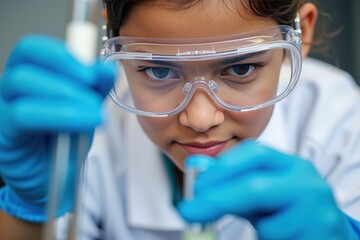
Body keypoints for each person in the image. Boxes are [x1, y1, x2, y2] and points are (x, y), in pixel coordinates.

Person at [1, 0, 360, 239]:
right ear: (114, 38)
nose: (200, 119)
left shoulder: (337, 120)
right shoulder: (86, 134)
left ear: (303, 34)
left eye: (240, 67)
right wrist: (29, 211)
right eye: (158, 71)